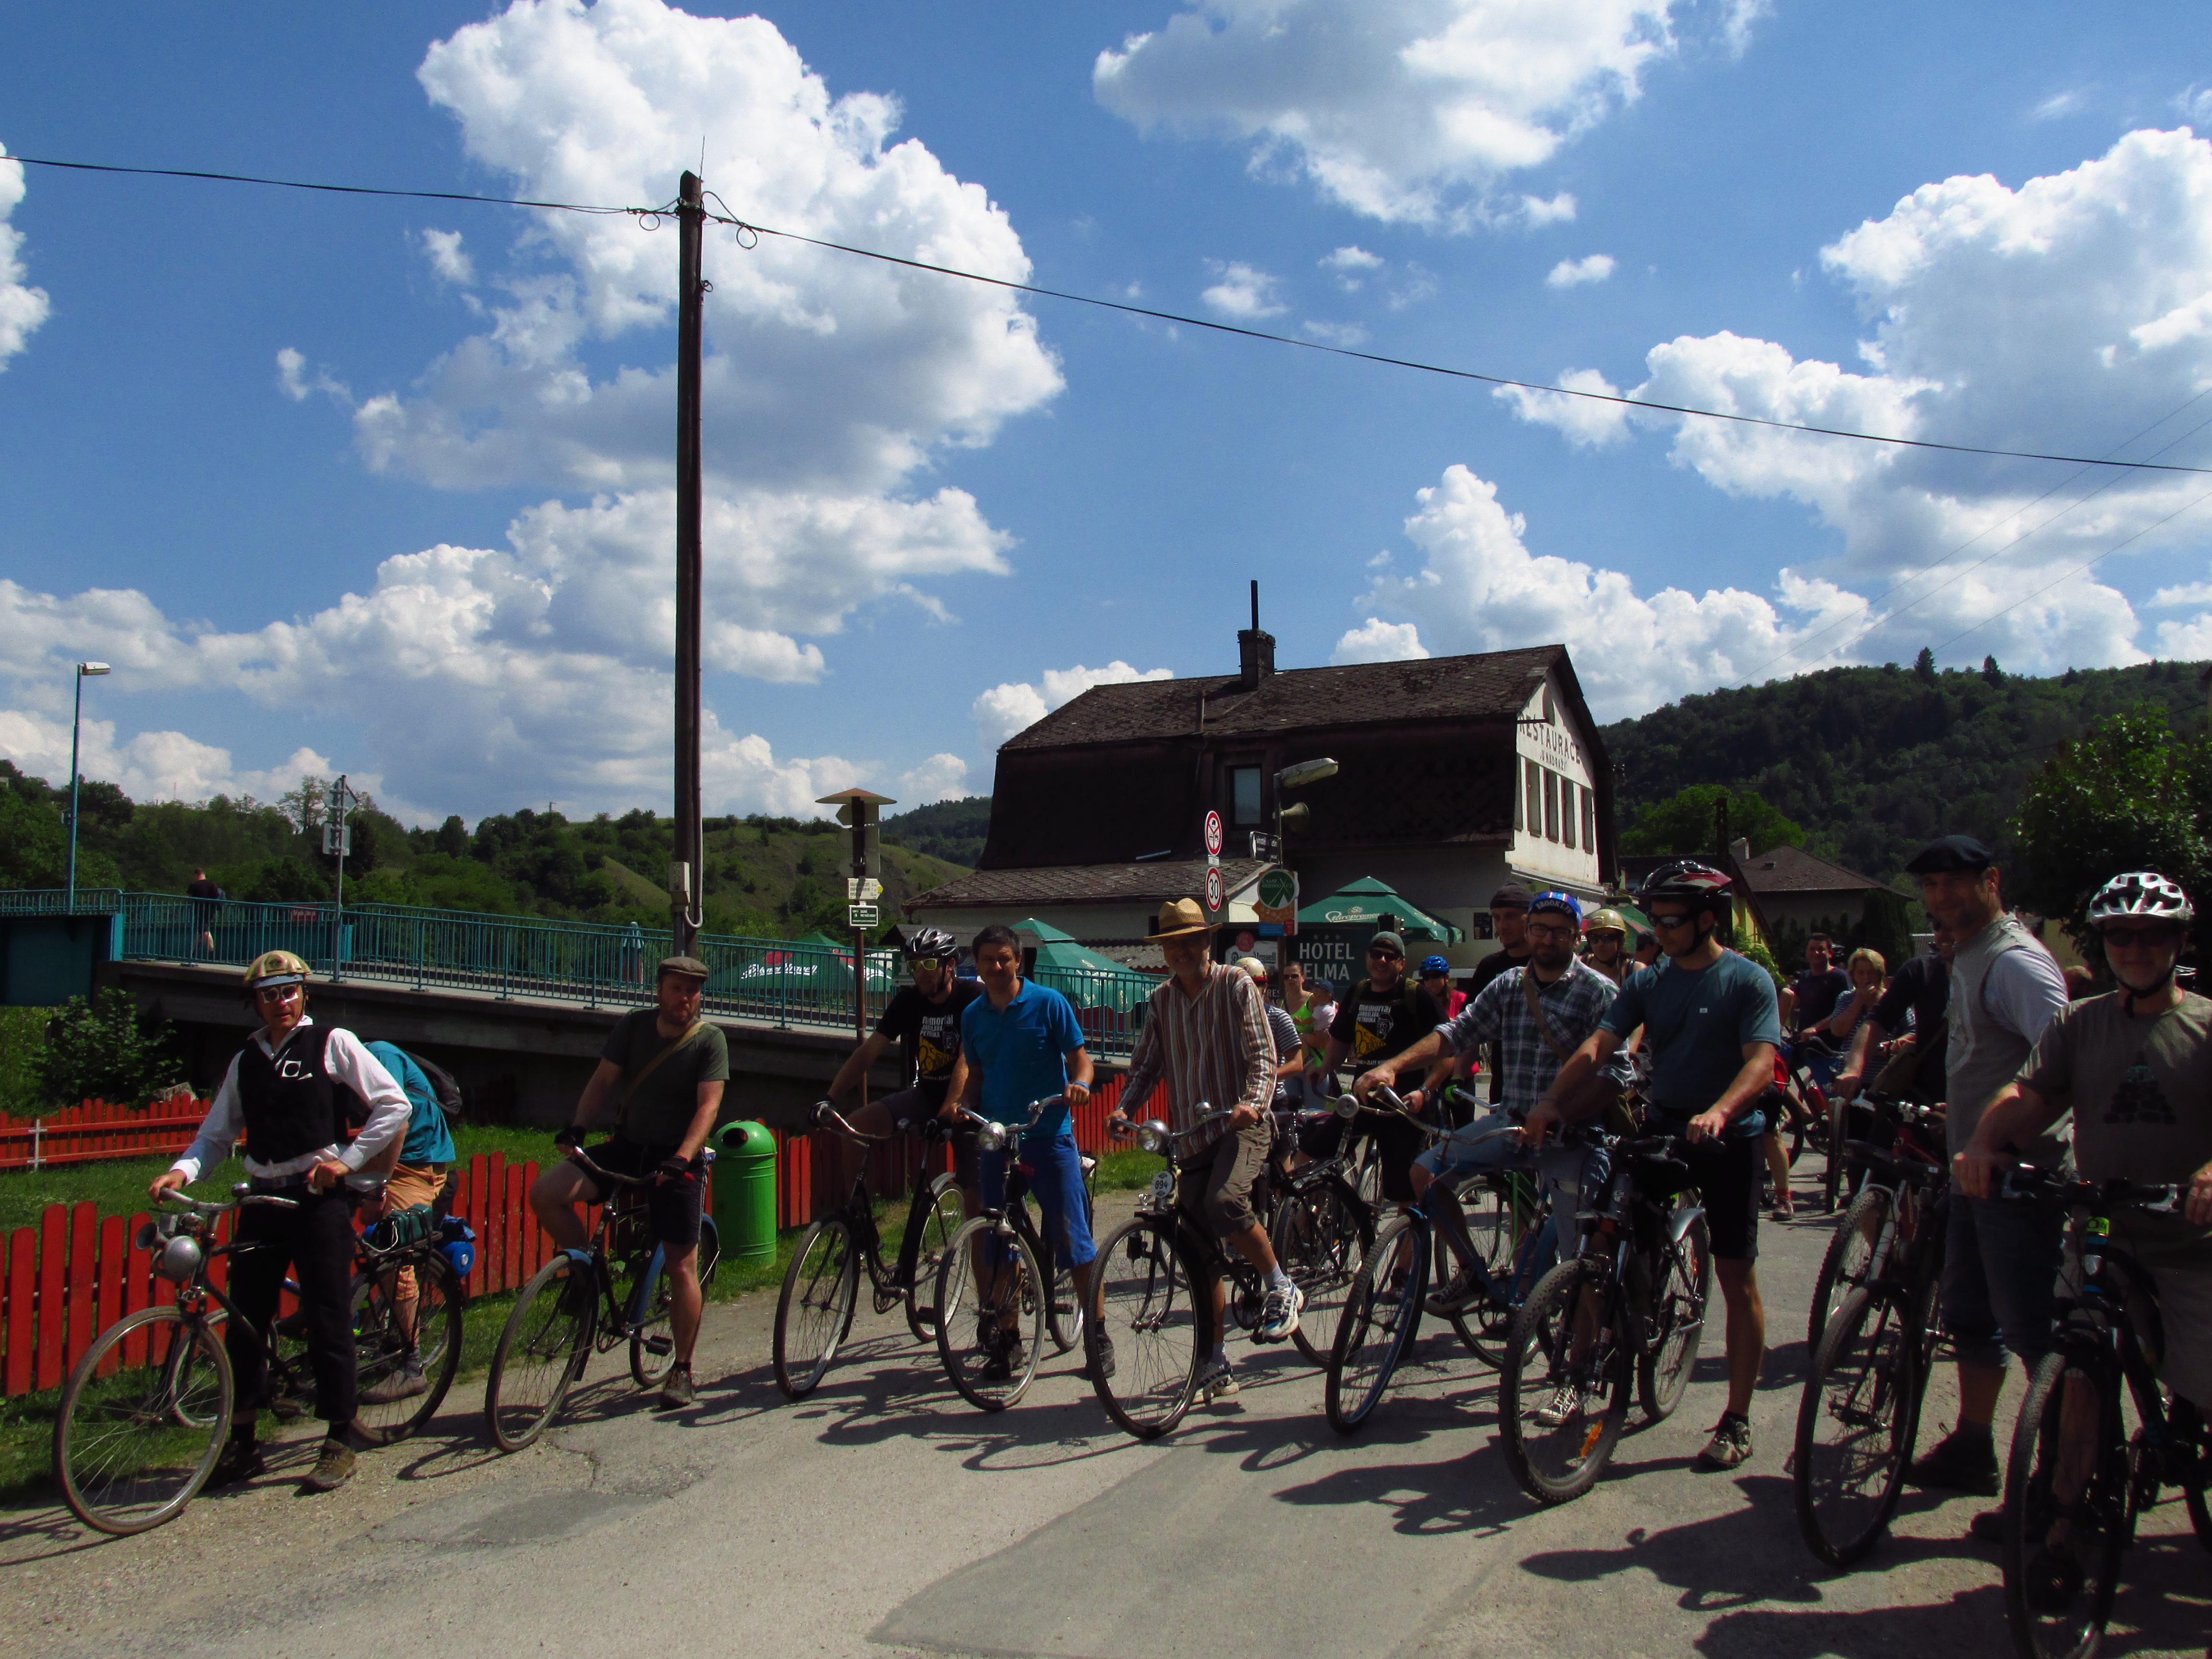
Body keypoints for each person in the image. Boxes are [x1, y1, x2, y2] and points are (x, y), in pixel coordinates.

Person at [1955, 871, 2212, 1573]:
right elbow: (2029, 1094)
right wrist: (1983, 1144)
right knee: (2078, 1379)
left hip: (2192, 1244)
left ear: (2179, 942)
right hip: (2103, 1233)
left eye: (2153, 934)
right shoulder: (2081, 1023)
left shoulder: (2205, 1024)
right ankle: (2067, 1524)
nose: (2136, 947)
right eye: (2121, 935)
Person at [1535, 860, 1783, 1470]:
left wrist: (1721, 1111)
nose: (1661, 932)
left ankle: (1737, 1419)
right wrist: (1552, 1101)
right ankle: (1600, 1351)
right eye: (1656, 923)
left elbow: (1761, 1062)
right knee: (1603, 1236)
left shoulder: (1747, 981)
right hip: (1666, 1126)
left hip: (1728, 1138)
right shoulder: (1651, 983)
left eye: (1672, 922)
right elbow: (1600, 1044)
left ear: (1707, 920)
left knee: (1736, 1274)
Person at [150, 950, 412, 1494]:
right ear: (256, 1003)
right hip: (262, 1197)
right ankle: (243, 1441)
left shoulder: (332, 1043)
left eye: (289, 991)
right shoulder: (246, 1060)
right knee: (248, 1319)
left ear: (304, 994)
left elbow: (394, 1105)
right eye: (269, 995)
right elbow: (216, 1135)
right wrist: (182, 1172)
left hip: (318, 1199)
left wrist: (348, 1162)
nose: (280, 1002)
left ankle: (339, 1437)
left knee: (328, 1315)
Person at [1898, 834, 2069, 1511]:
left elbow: (2062, 1066)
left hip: (2018, 1177)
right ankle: (1973, 1447)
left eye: (1954, 883)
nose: (1940, 897)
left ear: (1991, 881)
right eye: (1931, 886)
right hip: (1973, 1171)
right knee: (1970, 1315)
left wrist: (2001, 1141)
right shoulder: (1969, 954)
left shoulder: (2014, 962)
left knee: (2035, 1334)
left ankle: (2061, 1486)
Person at [1357, 890, 1618, 1334]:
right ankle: (1473, 1273)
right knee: (1425, 1174)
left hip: (1572, 1137)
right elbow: (1458, 1032)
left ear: (1577, 937)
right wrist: (1393, 1067)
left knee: (1581, 1263)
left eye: (1560, 932)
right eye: (1540, 929)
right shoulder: (1510, 984)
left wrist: (1560, 1113)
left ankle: (1585, 1357)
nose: (1547, 939)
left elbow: (1616, 1075)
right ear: (1530, 932)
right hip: (1510, 1124)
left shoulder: (1598, 991)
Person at [1117, 903, 1300, 1397]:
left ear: (1206, 942)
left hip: (1242, 1125)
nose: (1180, 951)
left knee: (1225, 1202)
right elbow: (1146, 1066)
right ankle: (1215, 1361)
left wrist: (1253, 1103)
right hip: (1192, 1134)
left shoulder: (1236, 984)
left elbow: (1264, 1053)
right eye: (1171, 944)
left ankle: (1280, 1284)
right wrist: (1123, 1110)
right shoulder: (1161, 1000)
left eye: (1189, 941)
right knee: (1198, 1251)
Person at [531, 954, 727, 1408]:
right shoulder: (634, 1027)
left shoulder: (709, 1041)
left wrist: (683, 1155)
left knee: (681, 1264)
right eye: (677, 988)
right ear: (659, 990)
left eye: (693, 991)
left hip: (677, 1157)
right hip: (628, 1146)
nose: (685, 998)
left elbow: (709, 1107)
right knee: (546, 1193)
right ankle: (586, 1278)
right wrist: (578, 1128)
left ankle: (682, 1369)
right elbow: (603, 1080)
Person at [958, 924, 1098, 1380]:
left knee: (1072, 1237)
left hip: (1047, 1133)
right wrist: (963, 1105)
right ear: (977, 965)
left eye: (1004, 958)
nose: (996, 967)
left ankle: (1097, 1335)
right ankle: (1009, 1339)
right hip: (999, 1137)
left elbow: (1081, 1060)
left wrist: (1079, 1085)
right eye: (987, 960)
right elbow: (977, 1074)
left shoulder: (1049, 1003)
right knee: (998, 1239)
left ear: (1019, 961)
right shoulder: (973, 1015)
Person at [824, 927, 980, 1241]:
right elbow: (868, 1052)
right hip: (926, 1094)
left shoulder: (971, 998)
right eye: (914, 966)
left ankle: (996, 1251)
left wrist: (949, 1110)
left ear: (950, 965)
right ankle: (863, 1227)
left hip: (968, 1102)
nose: (921, 973)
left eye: (929, 964)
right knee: (856, 1127)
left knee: (977, 1198)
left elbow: (966, 1061)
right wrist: (830, 1098)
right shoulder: (909, 1000)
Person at [357, 1038, 458, 1402]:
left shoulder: (379, 1055)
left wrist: (377, 1189)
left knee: (393, 1255)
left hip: (416, 1165)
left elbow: (395, 1120)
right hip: (379, 1155)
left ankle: (412, 1364)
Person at [1317, 930, 1450, 1206]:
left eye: (1390, 956)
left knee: (1406, 1197)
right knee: (1310, 1156)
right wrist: (1321, 1069)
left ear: (1402, 963)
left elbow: (1448, 1049)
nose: (1382, 961)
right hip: (1361, 1103)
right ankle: (1314, 1225)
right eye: (1376, 954)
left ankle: (1408, 1233)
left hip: (1403, 1109)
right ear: (1367, 958)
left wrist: (1425, 1091)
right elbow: (1339, 1040)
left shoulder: (1416, 995)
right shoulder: (1357, 992)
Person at [1831, 926, 1957, 1104]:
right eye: (1861, 973)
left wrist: (1895, 1044)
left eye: (1871, 972)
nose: (1866, 978)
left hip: (1883, 1077)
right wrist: (1858, 1002)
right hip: (1857, 1081)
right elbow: (1841, 1030)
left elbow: (1915, 1031)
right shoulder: (1846, 999)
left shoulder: (1892, 998)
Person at [1467, 885, 1535, 1106]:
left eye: (1511, 916)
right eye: (1497, 918)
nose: (1502, 926)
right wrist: (1458, 1076)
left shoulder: (1547, 964)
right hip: (1503, 1090)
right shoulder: (1489, 967)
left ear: (1531, 918)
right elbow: (1468, 1029)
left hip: (1549, 1088)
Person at [1234, 956, 1306, 1106]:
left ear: (1265, 987)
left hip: (1271, 1100)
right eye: (1241, 986)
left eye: (1256, 985)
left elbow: (1296, 1063)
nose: (1248, 991)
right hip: (1234, 1099)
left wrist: (1262, 1080)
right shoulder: (1224, 1018)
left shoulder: (1278, 1018)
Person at [1582, 908, 1632, 985]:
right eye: (1594, 938)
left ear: (1621, 941)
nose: (1600, 944)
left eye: (1608, 938)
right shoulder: (1582, 964)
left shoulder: (1633, 971)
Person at [186, 867, 222, 957]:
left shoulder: (194, 885)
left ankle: (212, 952)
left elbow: (189, 897)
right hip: (211, 910)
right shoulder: (212, 884)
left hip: (200, 910)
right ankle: (192, 953)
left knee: (205, 931)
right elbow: (217, 896)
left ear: (196, 875)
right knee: (200, 932)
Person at [1419, 956, 1467, 1022]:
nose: (1431, 981)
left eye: (1435, 975)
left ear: (1446, 978)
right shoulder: (1421, 1002)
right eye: (1426, 977)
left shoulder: (1461, 999)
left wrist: (1445, 1019)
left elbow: (1470, 1025)